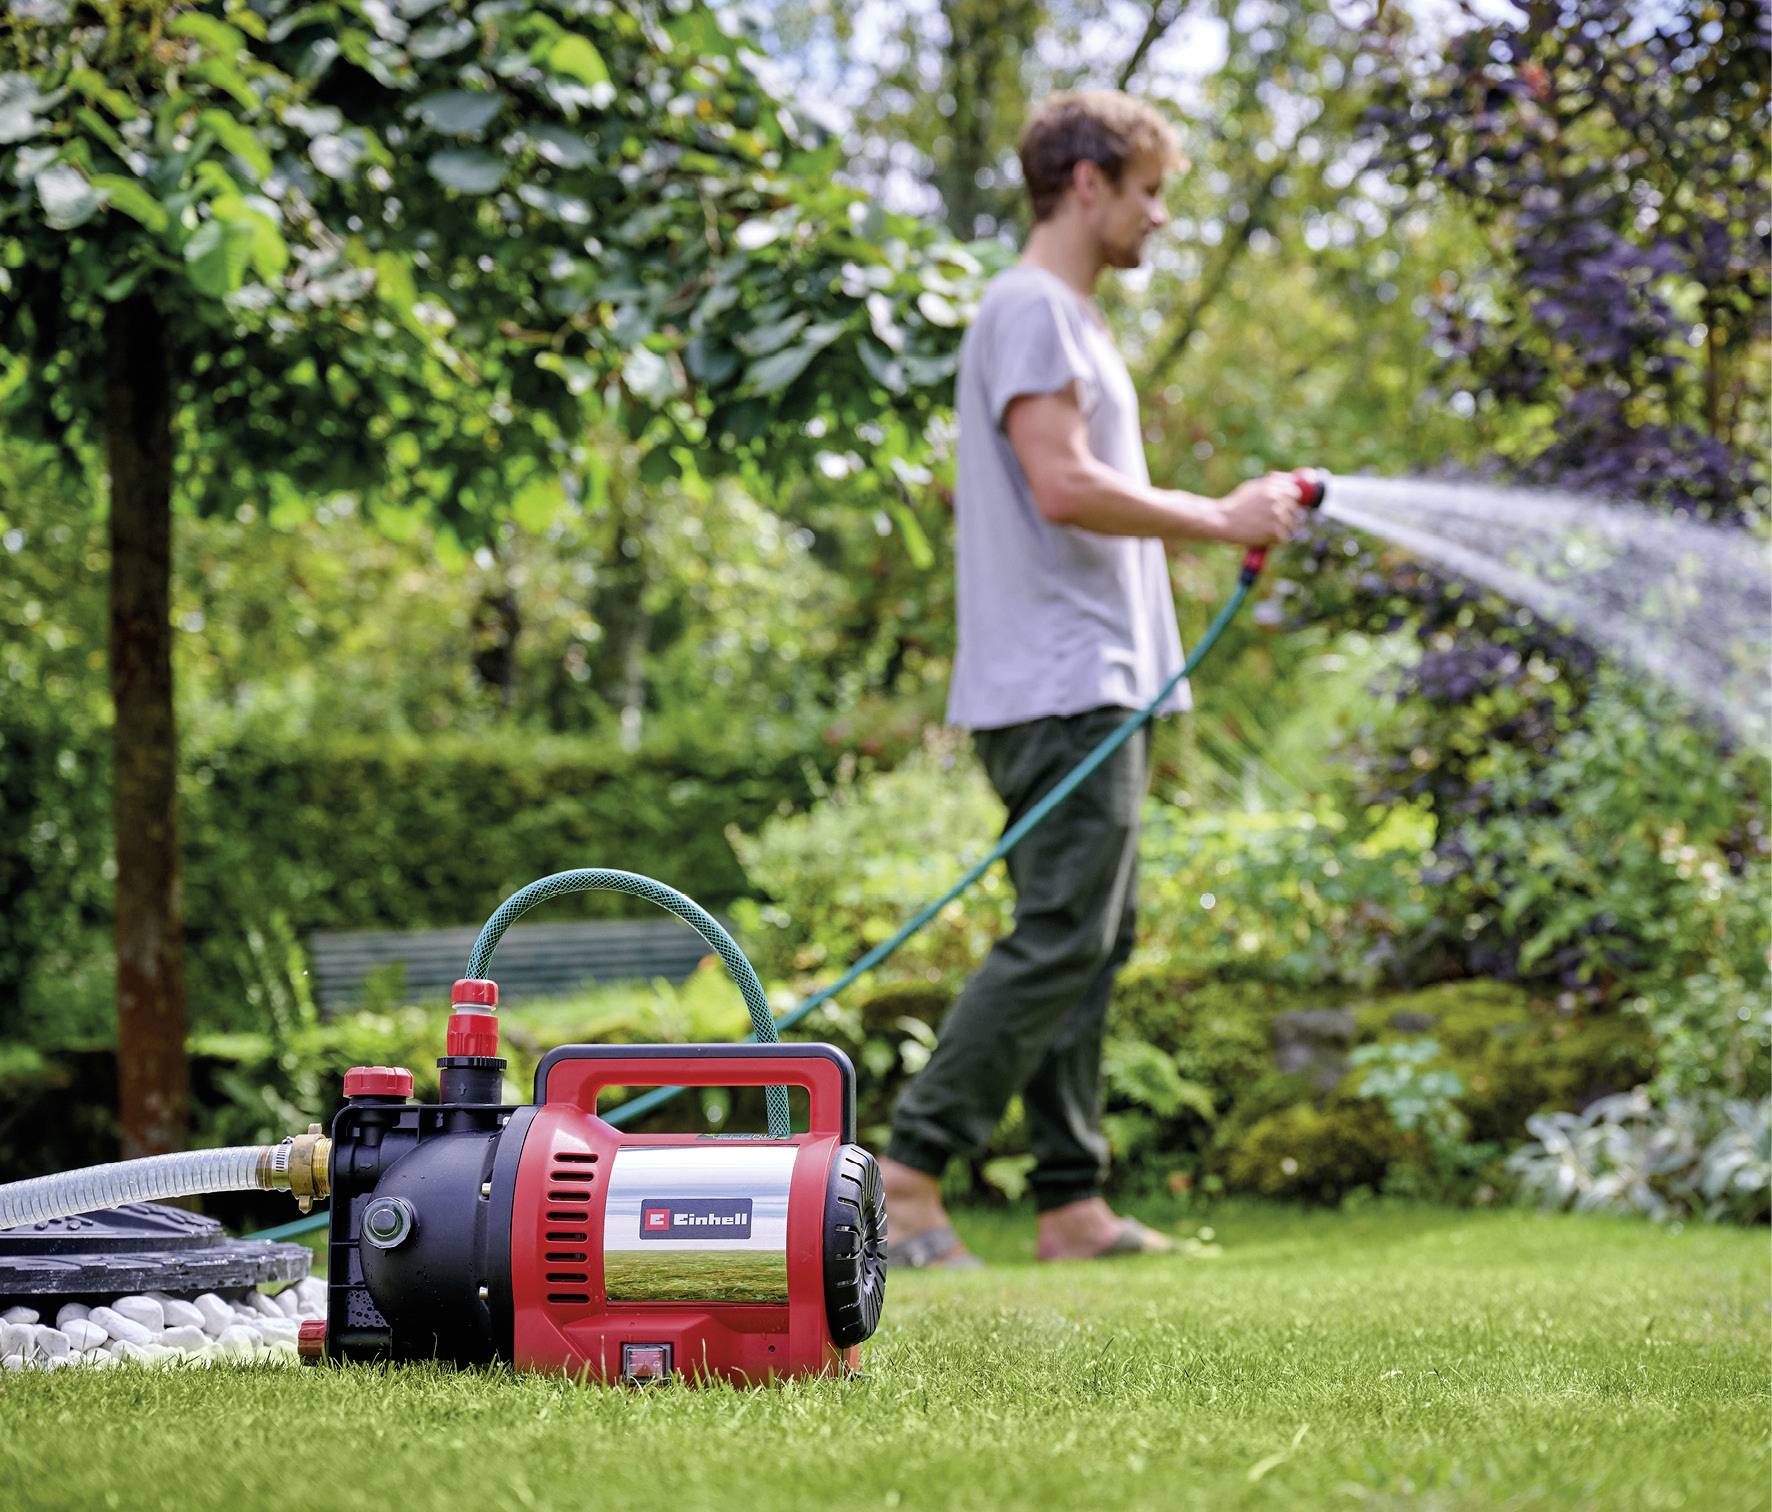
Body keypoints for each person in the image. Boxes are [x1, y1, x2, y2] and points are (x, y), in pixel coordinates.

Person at [880, 91, 1303, 1266]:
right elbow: (1059, 485)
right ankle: (908, 1178)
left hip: (1089, 683)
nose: (1158, 217)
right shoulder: (1031, 310)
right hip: (1063, 687)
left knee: (1090, 938)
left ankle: (1070, 1203)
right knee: (1064, 932)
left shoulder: (1060, 317)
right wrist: (1219, 517)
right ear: (1085, 182)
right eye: (1148, 190)